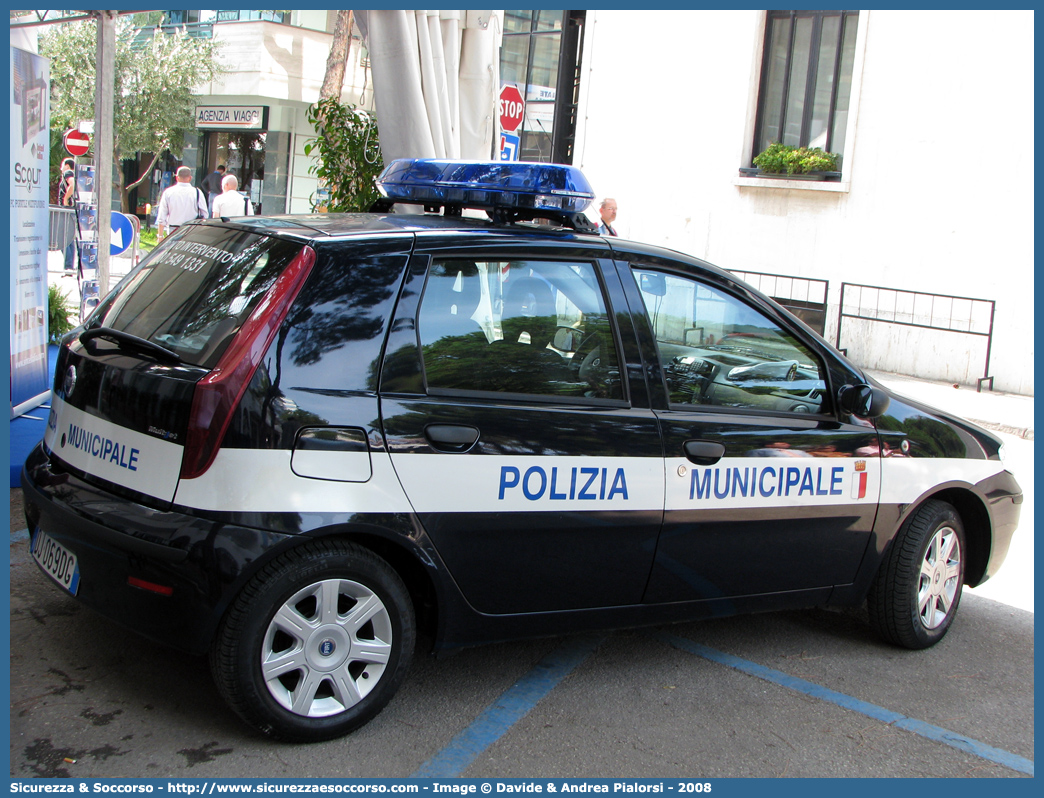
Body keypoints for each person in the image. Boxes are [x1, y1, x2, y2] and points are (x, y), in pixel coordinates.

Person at [156, 165, 208, 238]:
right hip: (191, 229)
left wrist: (160, 236)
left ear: (177, 178)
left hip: (173, 230)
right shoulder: (197, 192)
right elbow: (205, 215)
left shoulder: (168, 192)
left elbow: (162, 216)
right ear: (190, 178)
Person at [58, 158, 76, 272]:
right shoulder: (73, 173)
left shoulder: (68, 173)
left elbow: (72, 184)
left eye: (62, 165)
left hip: (66, 209)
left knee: (62, 237)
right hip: (70, 209)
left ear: (67, 166)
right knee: (69, 238)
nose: (61, 167)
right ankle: (69, 266)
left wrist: (65, 199)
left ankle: (68, 266)